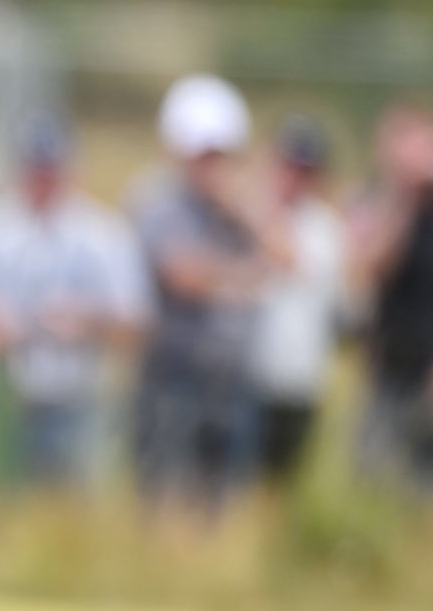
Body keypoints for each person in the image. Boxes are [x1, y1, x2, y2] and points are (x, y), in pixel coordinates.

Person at [0, 115, 149, 491]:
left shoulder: (103, 235)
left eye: (50, 168)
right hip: (5, 397)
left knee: (74, 510)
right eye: (34, 167)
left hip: (77, 398)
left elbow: (135, 326)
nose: (42, 179)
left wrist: (85, 323)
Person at [127, 74, 280, 514]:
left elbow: (286, 258)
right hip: (172, 373)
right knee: (165, 494)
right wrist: (246, 275)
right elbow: (183, 276)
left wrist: (243, 207)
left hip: (231, 376)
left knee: (223, 499)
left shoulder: (243, 203)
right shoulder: (154, 198)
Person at [247, 117, 344, 486]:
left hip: (301, 378)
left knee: (285, 481)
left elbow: (290, 260)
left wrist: (254, 207)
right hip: (250, 376)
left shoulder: (324, 226)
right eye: (288, 166)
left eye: (305, 170)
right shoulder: (250, 210)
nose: (294, 178)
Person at [347, 104, 433, 493]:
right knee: (373, 474)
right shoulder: (373, 200)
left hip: (427, 367)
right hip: (386, 366)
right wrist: (403, 197)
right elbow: (369, 268)